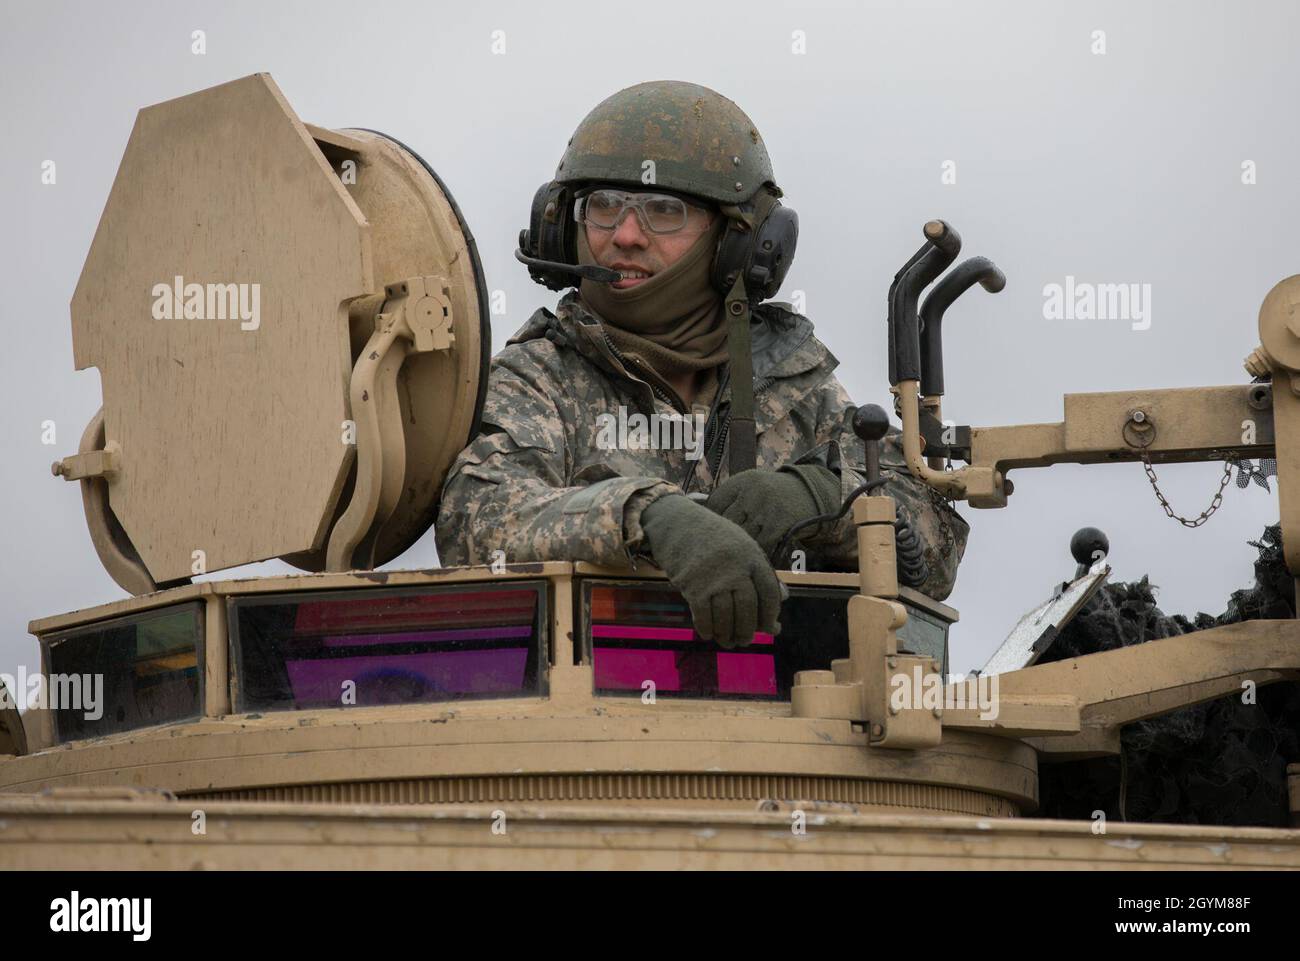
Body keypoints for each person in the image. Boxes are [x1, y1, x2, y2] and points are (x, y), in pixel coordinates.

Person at [436, 81, 968, 649]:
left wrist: (822, 498)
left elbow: (934, 548)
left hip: (787, 719)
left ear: (738, 242)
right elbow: (478, 519)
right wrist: (648, 518)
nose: (625, 236)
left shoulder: (794, 384)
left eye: (664, 211)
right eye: (605, 207)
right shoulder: (537, 377)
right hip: (593, 717)